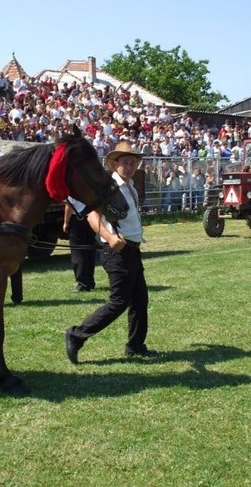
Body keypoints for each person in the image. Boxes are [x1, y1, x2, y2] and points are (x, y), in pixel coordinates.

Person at [64, 141, 157, 363]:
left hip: (132, 249)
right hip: (117, 251)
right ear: (115, 163)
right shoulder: (108, 187)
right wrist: (110, 238)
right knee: (119, 302)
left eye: (134, 162)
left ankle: (135, 346)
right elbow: (91, 215)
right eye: (125, 162)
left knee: (139, 300)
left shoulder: (130, 186)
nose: (130, 165)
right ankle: (76, 335)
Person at [63, 197, 96, 293]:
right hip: (90, 217)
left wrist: (66, 222)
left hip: (77, 219)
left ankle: (83, 283)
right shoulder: (88, 184)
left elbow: (69, 205)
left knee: (78, 252)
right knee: (89, 250)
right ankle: (90, 281)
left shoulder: (74, 186)